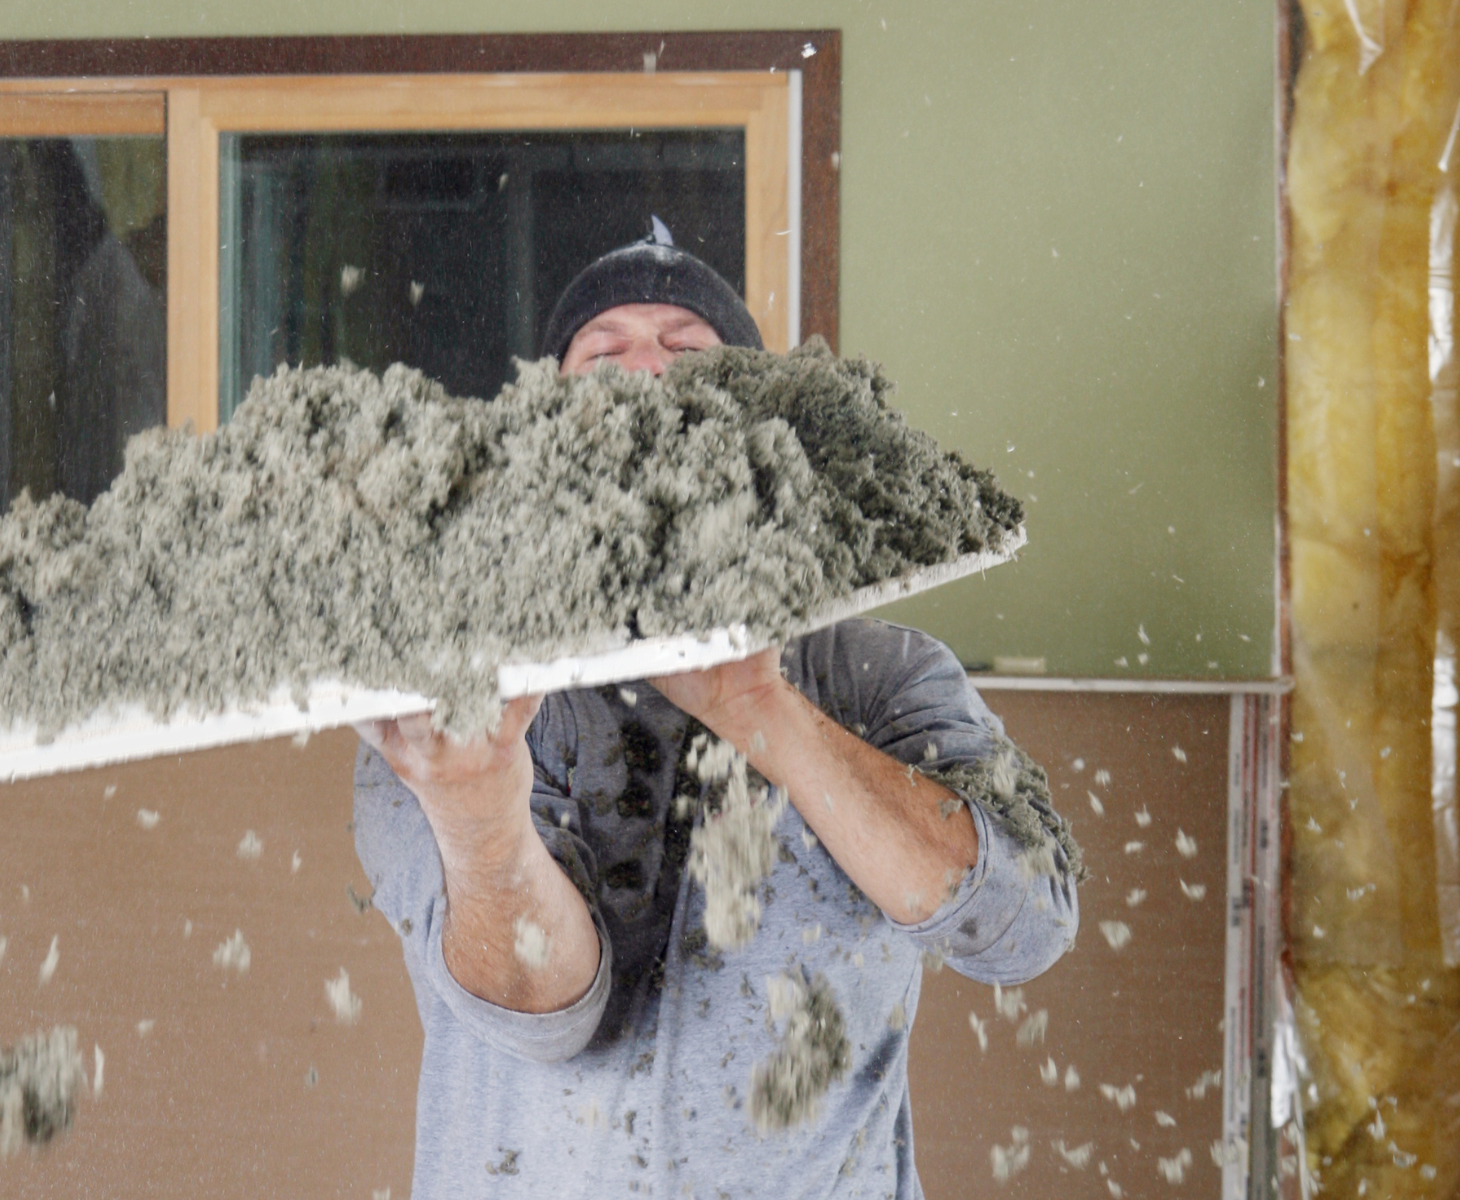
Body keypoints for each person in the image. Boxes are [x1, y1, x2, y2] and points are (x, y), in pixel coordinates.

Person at [352, 230, 1080, 1199]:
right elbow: (546, 1016)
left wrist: (760, 706)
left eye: (687, 349)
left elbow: (1016, 931)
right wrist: (477, 809)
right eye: (601, 353)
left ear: (768, 418)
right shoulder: (450, 705)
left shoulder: (881, 674)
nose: (646, 367)